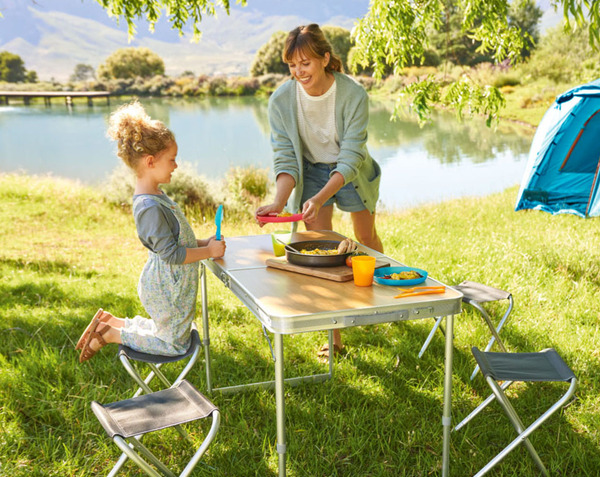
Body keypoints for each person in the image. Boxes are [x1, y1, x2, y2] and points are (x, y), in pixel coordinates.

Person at [255, 23, 383, 357]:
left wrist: (322, 196)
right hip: (311, 169)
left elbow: (352, 156)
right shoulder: (282, 100)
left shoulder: (353, 94)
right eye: (292, 65)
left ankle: (381, 304)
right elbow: (285, 157)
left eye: (306, 63)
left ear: (325, 58)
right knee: (323, 253)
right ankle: (335, 337)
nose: (299, 71)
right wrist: (279, 202)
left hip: (350, 172)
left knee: (365, 241)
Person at [76, 101, 226, 363]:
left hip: (170, 284)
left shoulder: (156, 194)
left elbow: (176, 240)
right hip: (167, 287)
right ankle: (111, 334)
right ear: (150, 161)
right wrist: (208, 252)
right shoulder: (149, 206)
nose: (176, 166)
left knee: (164, 332)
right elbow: (171, 254)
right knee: (174, 344)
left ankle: (112, 322)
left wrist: (205, 242)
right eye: (172, 160)